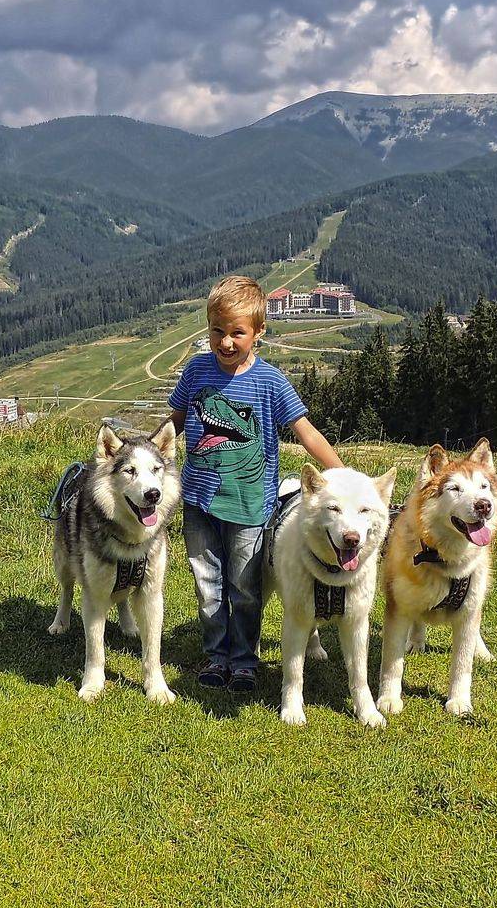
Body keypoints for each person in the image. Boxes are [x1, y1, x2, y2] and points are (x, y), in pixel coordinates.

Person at [169, 275, 344, 693]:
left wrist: (342, 476)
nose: (226, 342)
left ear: (258, 332)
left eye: (237, 333)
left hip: (250, 506)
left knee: (245, 588)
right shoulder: (195, 371)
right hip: (198, 500)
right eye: (217, 331)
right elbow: (175, 421)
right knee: (207, 585)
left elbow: (306, 432)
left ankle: (245, 660)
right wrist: (145, 453)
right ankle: (217, 655)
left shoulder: (270, 381)